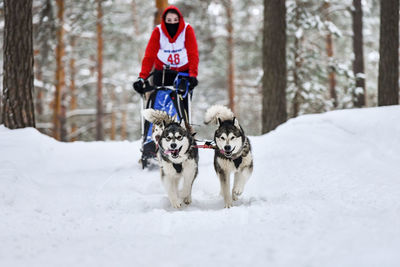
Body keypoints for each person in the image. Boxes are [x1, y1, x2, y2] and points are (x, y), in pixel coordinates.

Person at [132, 5, 199, 168]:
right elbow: (149, 55)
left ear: (180, 20)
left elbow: (193, 54)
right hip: (161, 74)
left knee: (178, 107)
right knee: (157, 104)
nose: (172, 23)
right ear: (164, 21)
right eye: (169, 20)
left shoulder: (187, 30)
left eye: (175, 20)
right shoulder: (158, 32)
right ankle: (150, 144)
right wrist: (142, 78)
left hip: (181, 74)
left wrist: (193, 76)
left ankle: (182, 141)